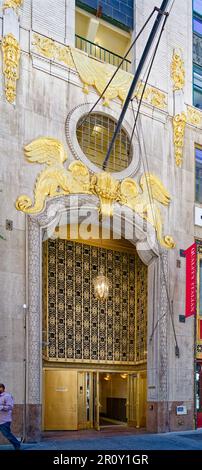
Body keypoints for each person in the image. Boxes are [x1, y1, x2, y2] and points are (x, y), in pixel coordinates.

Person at [0, 383, 21, 450]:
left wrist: (1, 407)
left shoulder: (7, 396)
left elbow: (10, 407)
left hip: (4, 420)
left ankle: (17, 444)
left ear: (2, 388)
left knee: (7, 435)